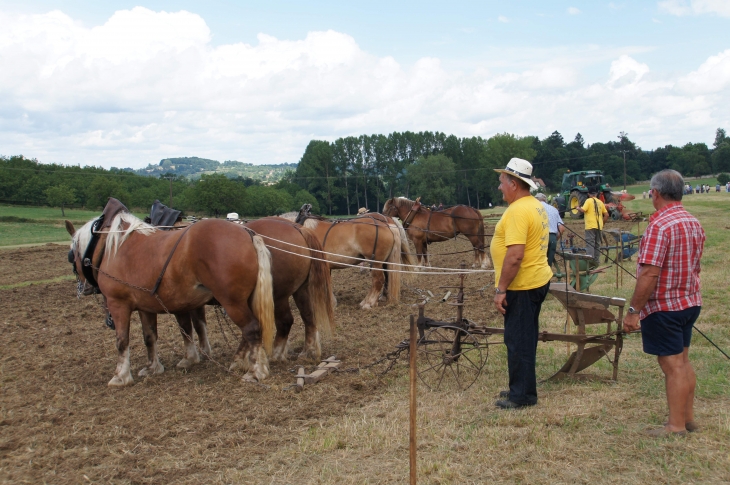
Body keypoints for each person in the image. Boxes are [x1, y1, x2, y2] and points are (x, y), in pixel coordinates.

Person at [623, 169, 705, 437]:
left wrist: (633, 311)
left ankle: (675, 426)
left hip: (666, 307)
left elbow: (649, 273)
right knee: (682, 361)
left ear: (655, 193)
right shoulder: (693, 222)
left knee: (672, 366)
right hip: (689, 303)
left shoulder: (659, 226)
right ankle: (688, 418)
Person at [490, 158, 553, 409]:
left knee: (519, 340)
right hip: (535, 280)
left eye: (502, 182)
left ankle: (523, 397)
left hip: (522, 286)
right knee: (522, 338)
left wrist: (501, 289)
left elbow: (515, 256)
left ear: (514, 184)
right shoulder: (535, 205)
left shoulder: (517, 211)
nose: (499, 187)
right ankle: (521, 387)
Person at [576, 186, 608, 264]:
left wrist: (577, 208)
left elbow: (583, 210)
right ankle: (596, 261)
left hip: (590, 226)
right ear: (596, 194)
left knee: (590, 244)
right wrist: (602, 224)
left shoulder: (588, 200)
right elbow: (606, 215)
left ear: (589, 194)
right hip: (599, 226)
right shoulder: (600, 202)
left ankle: (590, 262)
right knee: (597, 244)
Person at [535, 193, 564, 267]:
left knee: (538, 264)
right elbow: (562, 228)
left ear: (536, 200)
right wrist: (554, 239)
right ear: (545, 200)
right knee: (548, 266)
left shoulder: (534, 208)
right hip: (553, 238)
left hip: (540, 237)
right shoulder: (554, 209)